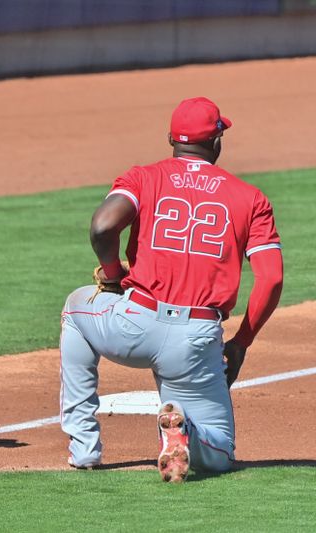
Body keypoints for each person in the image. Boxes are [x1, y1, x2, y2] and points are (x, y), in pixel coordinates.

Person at [58, 97, 283, 482]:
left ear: (170, 140)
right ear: (217, 142)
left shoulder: (143, 177)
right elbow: (272, 278)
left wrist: (112, 276)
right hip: (194, 342)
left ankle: (84, 449)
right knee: (219, 454)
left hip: (133, 325)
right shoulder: (250, 198)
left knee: (76, 310)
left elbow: (102, 226)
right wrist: (241, 342)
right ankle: (187, 433)